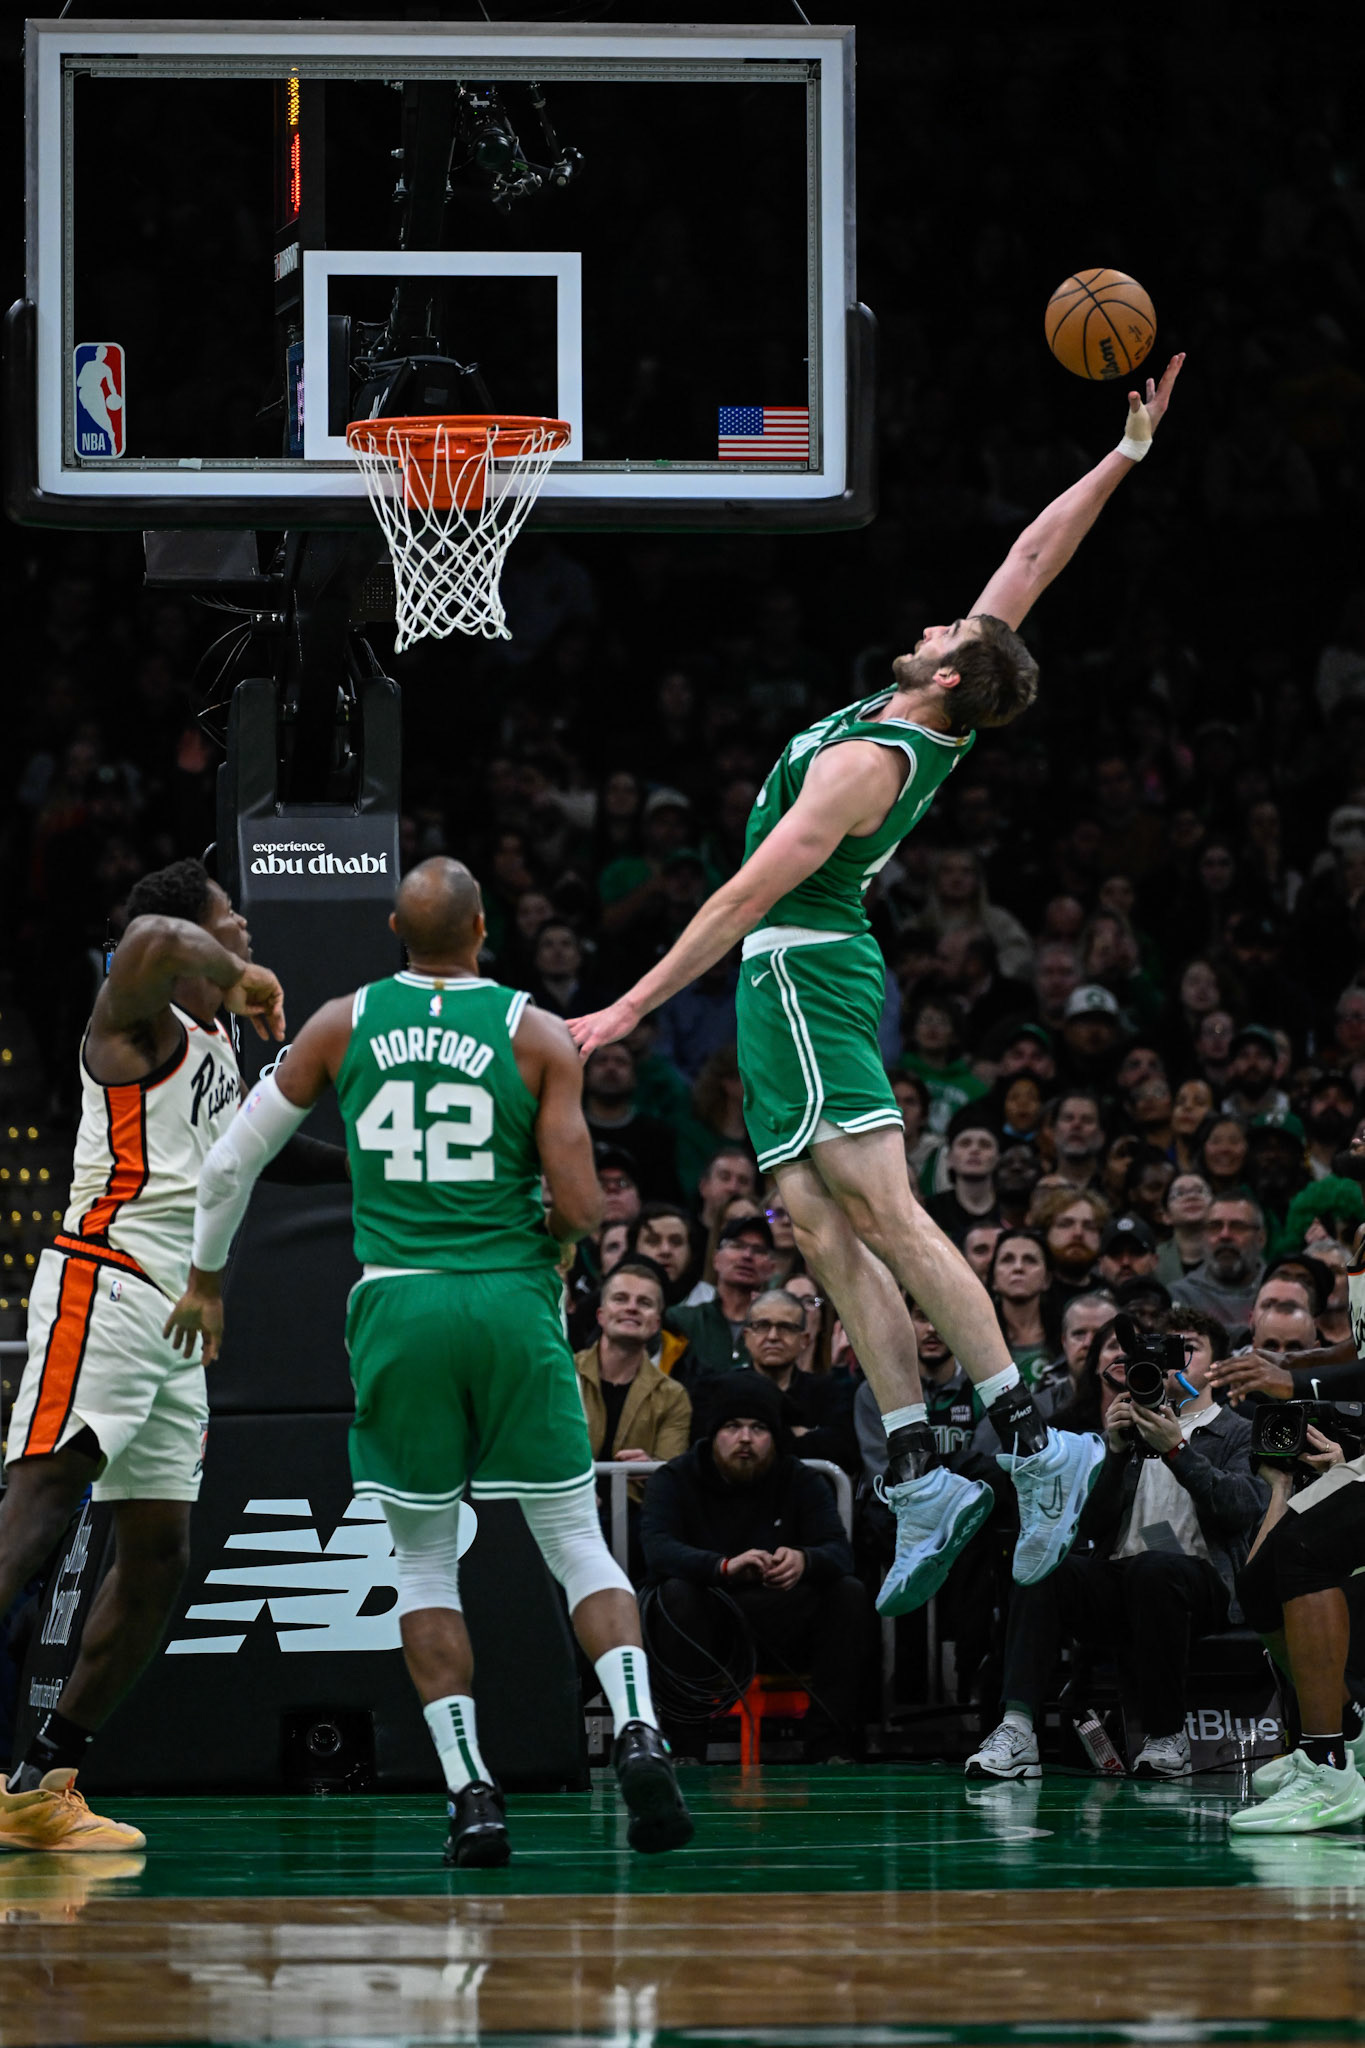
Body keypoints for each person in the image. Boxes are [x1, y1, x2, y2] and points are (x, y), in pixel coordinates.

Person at [570, 356, 1186, 1618]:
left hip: (803, 969)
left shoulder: (869, 763)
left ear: (951, 675)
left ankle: (1027, 1439)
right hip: (786, 983)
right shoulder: (935, 700)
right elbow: (1027, 564)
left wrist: (628, 1007)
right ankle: (919, 1465)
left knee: (888, 1213)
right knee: (809, 1218)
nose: (929, 625)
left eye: (942, 636)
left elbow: (745, 891)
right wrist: (1123, 455)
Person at [165, 858, 692, 1866]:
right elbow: (584, 1206)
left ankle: (472, 1794)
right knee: (575, 1536)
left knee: (421, 1560)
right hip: (509, 1297)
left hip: (398, 1298)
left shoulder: (340, 1021)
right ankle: (636, 1726)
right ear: (484, 927)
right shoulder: (535, 1031)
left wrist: (207, 1277)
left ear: (393, 926)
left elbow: (233, 1159)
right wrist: (560, 1238)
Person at [0, 858, 307, 1851]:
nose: (246, 931)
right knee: (40, 1509)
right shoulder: (133, 1023)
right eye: (230, 922)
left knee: (159, 1556)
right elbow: (147, 938)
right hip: (106, 1279)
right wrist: (234, 966)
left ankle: (37, 1782)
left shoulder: (217, 1043)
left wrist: (395, 1174)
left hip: (180, 1321)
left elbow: (262, 1152)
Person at [967, 1307, 1266, 1781]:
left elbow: (1241, 1508)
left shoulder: (1238, 1430)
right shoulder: (1127, 1427)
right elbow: (1091, 1524)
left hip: (1202, 1581)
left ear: (1216, 1366)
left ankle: (1167, 1735)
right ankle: (1017, 1728)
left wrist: (1177, 1451)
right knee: (1042, 1566)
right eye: (1164, 1351)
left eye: (1186, 1349)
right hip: (1123, 1577)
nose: (1172, 1362)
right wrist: (1114, 1451)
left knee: (1156, 1569)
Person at [641, 1373, 871, 1761]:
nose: (745, 1438)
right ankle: (685, 1750)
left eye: (758, 1428)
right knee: (672, 1595)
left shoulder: (799, 1477)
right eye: (732, 1426)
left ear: (774, 1436)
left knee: (848, 1592)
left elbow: (839, 1551)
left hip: (780, 1618)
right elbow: (658, 1550)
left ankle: (830, 1748)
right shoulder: (675, 1477)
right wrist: (723, 1567)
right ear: (714, 1433)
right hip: (709, 1622)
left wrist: (804, 1559)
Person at [576, 1261, 692, 1570]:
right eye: (620, 1299)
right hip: (567, 1509)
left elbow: (670, 1472)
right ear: (601, 1315)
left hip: (632, 1522)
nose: (631, 1308)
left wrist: (651, 1465)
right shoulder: (562, 1376)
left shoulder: (673, 1396)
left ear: (656, 1324)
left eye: (644, 1303)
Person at [740, 1287, 858, 1471]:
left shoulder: (829, 1392)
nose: (773, 1337)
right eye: (763, 1326)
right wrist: (799, 1434)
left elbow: (844, 1453)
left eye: (786, 1328)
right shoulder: (723, 1389)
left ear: (804, 1340)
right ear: (746, 1337)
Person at [668, 1215, 776, 1382]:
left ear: (771, 1269)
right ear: (716, 1259)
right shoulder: (682, 1320)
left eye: (759, 1250)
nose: (747, 1255)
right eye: (737, 1246)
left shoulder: (776, 1329)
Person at [1170, 1193, 1268, 1341]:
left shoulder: (1279, 1291)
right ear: (1203, 1236)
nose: (1225, 1235)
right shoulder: (1181, 1295)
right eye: (1215, 1226)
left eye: (1237, 1226)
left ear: (1261, 1238)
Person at [925, 1110, 1001, 1246]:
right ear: (949, 1158)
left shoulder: (1009, 1210)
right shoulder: (930, 1210)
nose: (975, 1150)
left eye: (985, 1144)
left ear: (998, 1158)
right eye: (965, 1143)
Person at [1155, 1173, 1214, 1285]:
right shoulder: (1155, 1259)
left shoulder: (1230, 1251)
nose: (1191, 1197)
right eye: (1180, 1193)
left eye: (1200, 1191)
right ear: (1166, 1216)